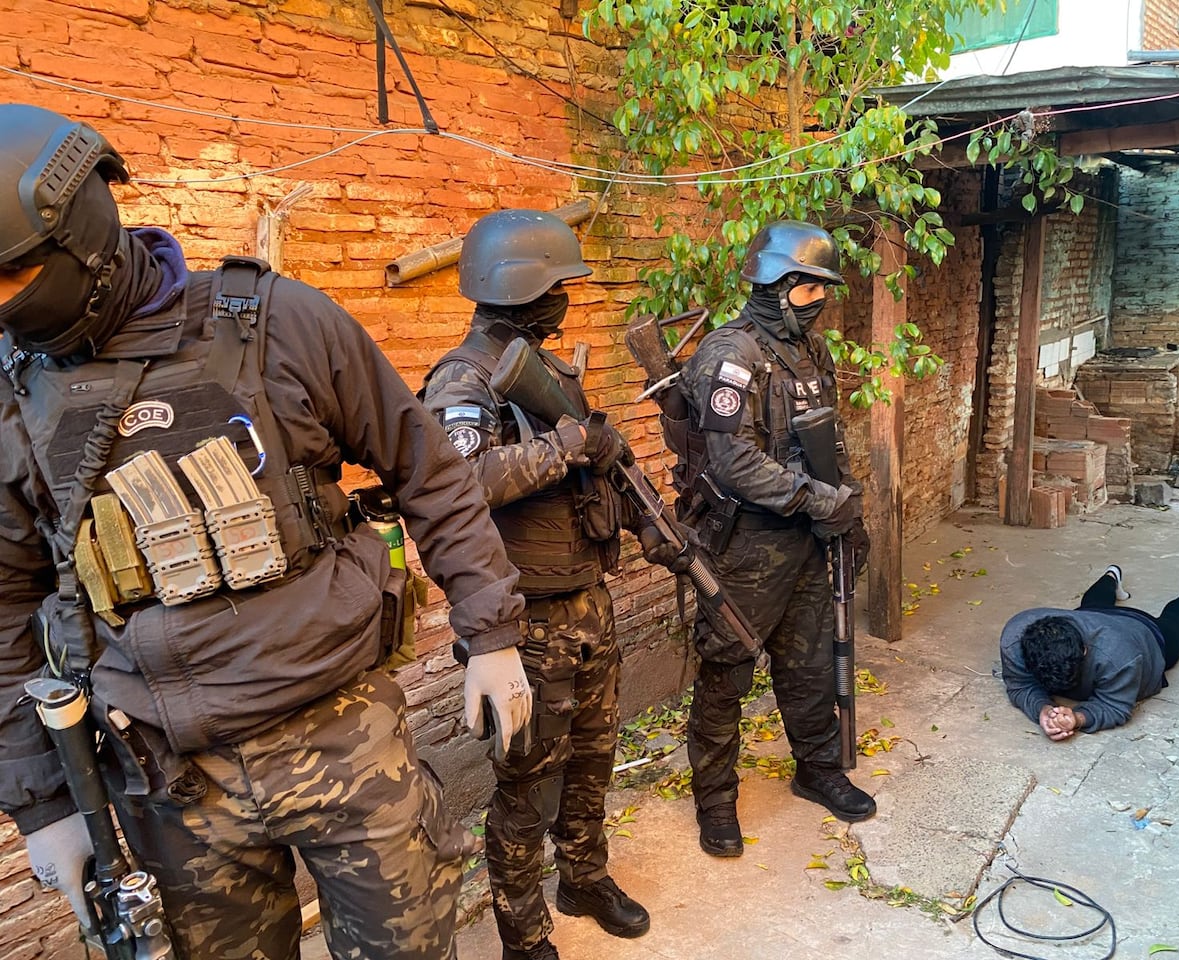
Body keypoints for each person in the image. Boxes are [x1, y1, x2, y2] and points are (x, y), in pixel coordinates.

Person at [0, 103, 534, 960]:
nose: (3, 308)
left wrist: (493, 634)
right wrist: (43, 802)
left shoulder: (278, 321)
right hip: (169, 778)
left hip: (341, 732)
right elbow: (3, 609)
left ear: (78, 236)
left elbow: (427, 469)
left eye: (11, 276)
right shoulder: (15, 396)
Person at [419, 209, 677, 960]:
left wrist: (644, 516)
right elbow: (456, 484)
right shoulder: (463, 379)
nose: (565, 297)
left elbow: (596, 472)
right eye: (557, 284)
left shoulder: (548, 369)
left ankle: (584, 878)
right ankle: (523, 934)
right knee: (525, 789)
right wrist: (567, 447)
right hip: (521, 624)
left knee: (594, 759)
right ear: (521, 285)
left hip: (587, 605)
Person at [674, 219, 876, 860]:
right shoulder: (729, 355)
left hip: (806, 539)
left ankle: (817, 768)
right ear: (776, 284)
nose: (818, 303)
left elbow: (825, 441)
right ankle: (715, 800)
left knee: (811, 660)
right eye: (808, 290)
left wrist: (847, 512)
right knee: (727, 670)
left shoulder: (812, 354)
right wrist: (819, 501)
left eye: (821, 291)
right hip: (746, 547)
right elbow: (735, 462)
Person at [1000, 564, 1179, 738]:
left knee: (1175, 624)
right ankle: (1111, 576)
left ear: (1085, 650)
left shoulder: (1121, 656)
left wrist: (1078, 718)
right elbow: (1019, 684)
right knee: (1092, 607)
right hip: (1091, 618)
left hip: (1144, 632)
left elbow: (1116, 706)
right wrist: (1042, 710)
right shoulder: (1015, 637)